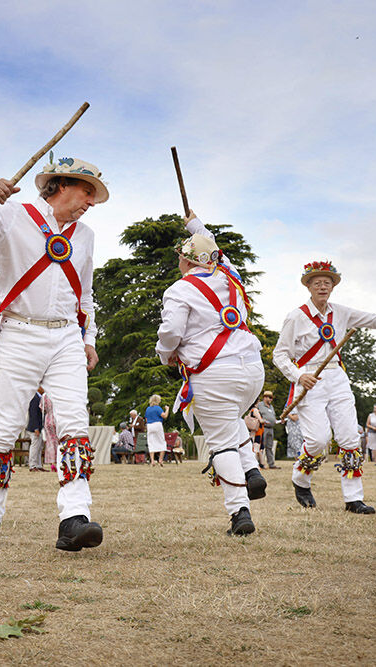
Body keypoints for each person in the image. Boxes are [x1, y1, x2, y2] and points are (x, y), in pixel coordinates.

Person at [0, 157, 106, 551]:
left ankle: (74, 519)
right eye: (88, 192)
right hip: (18, 331)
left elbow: (85, 295)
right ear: (63, 184)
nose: (91, 202)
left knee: (75, 422)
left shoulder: (85, 235)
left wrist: (89, 338)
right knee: (6, 426)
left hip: (67, 335)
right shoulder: (11, 213)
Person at [273, 260, 376, 514]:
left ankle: (353, 498)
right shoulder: (296, 316)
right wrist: (298, 376)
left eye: (327, 283)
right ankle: (301, 479)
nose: (322, 286)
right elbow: (280, 355)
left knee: (350, 437)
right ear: (308, 286)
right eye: (316, 282)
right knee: (318, 441)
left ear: (333, 287)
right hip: (309, 380)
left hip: (337, 379)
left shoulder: (341, 312)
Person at [156, 210, 266, 536]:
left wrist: (166, 355)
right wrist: (195, 225)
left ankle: (239, 512)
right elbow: (215, 248)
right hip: (252, 370)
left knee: (219, 442)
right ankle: (251, 469)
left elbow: (171, 332)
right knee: (231, 418)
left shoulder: (180, 289)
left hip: (213, 372)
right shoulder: (231, 276)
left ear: (186, 261)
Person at [256, 391, 279, 469]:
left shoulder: (271, 407)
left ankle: (271, 464)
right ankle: (260, 464)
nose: (271, 399)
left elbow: (272, 416)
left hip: (271, 428)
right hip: (263, 428)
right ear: (265, 397)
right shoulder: (259, 405)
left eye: (271, 398)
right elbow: (255, 414)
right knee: (261, 447)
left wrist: (276, 420)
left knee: (269, 447)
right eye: (269, 397)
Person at [145, 395, 169, 467]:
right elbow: (164, 416)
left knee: (151, 442)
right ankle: (160, 460)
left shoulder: (148, 409)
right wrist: (167, 409)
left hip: (149, 426)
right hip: (157, 424)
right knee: (162, 442)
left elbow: (146, 419)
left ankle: (152, 461)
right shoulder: (158, 408)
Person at [27, 389, 45, 472]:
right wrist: (36, 428)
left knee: (39, 446)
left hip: (39, 426)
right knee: (34, 446)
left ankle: (38, 464)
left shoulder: (39, 397)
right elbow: (33, 413)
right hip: (34, 427)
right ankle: (32, 465)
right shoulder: (34, 397)